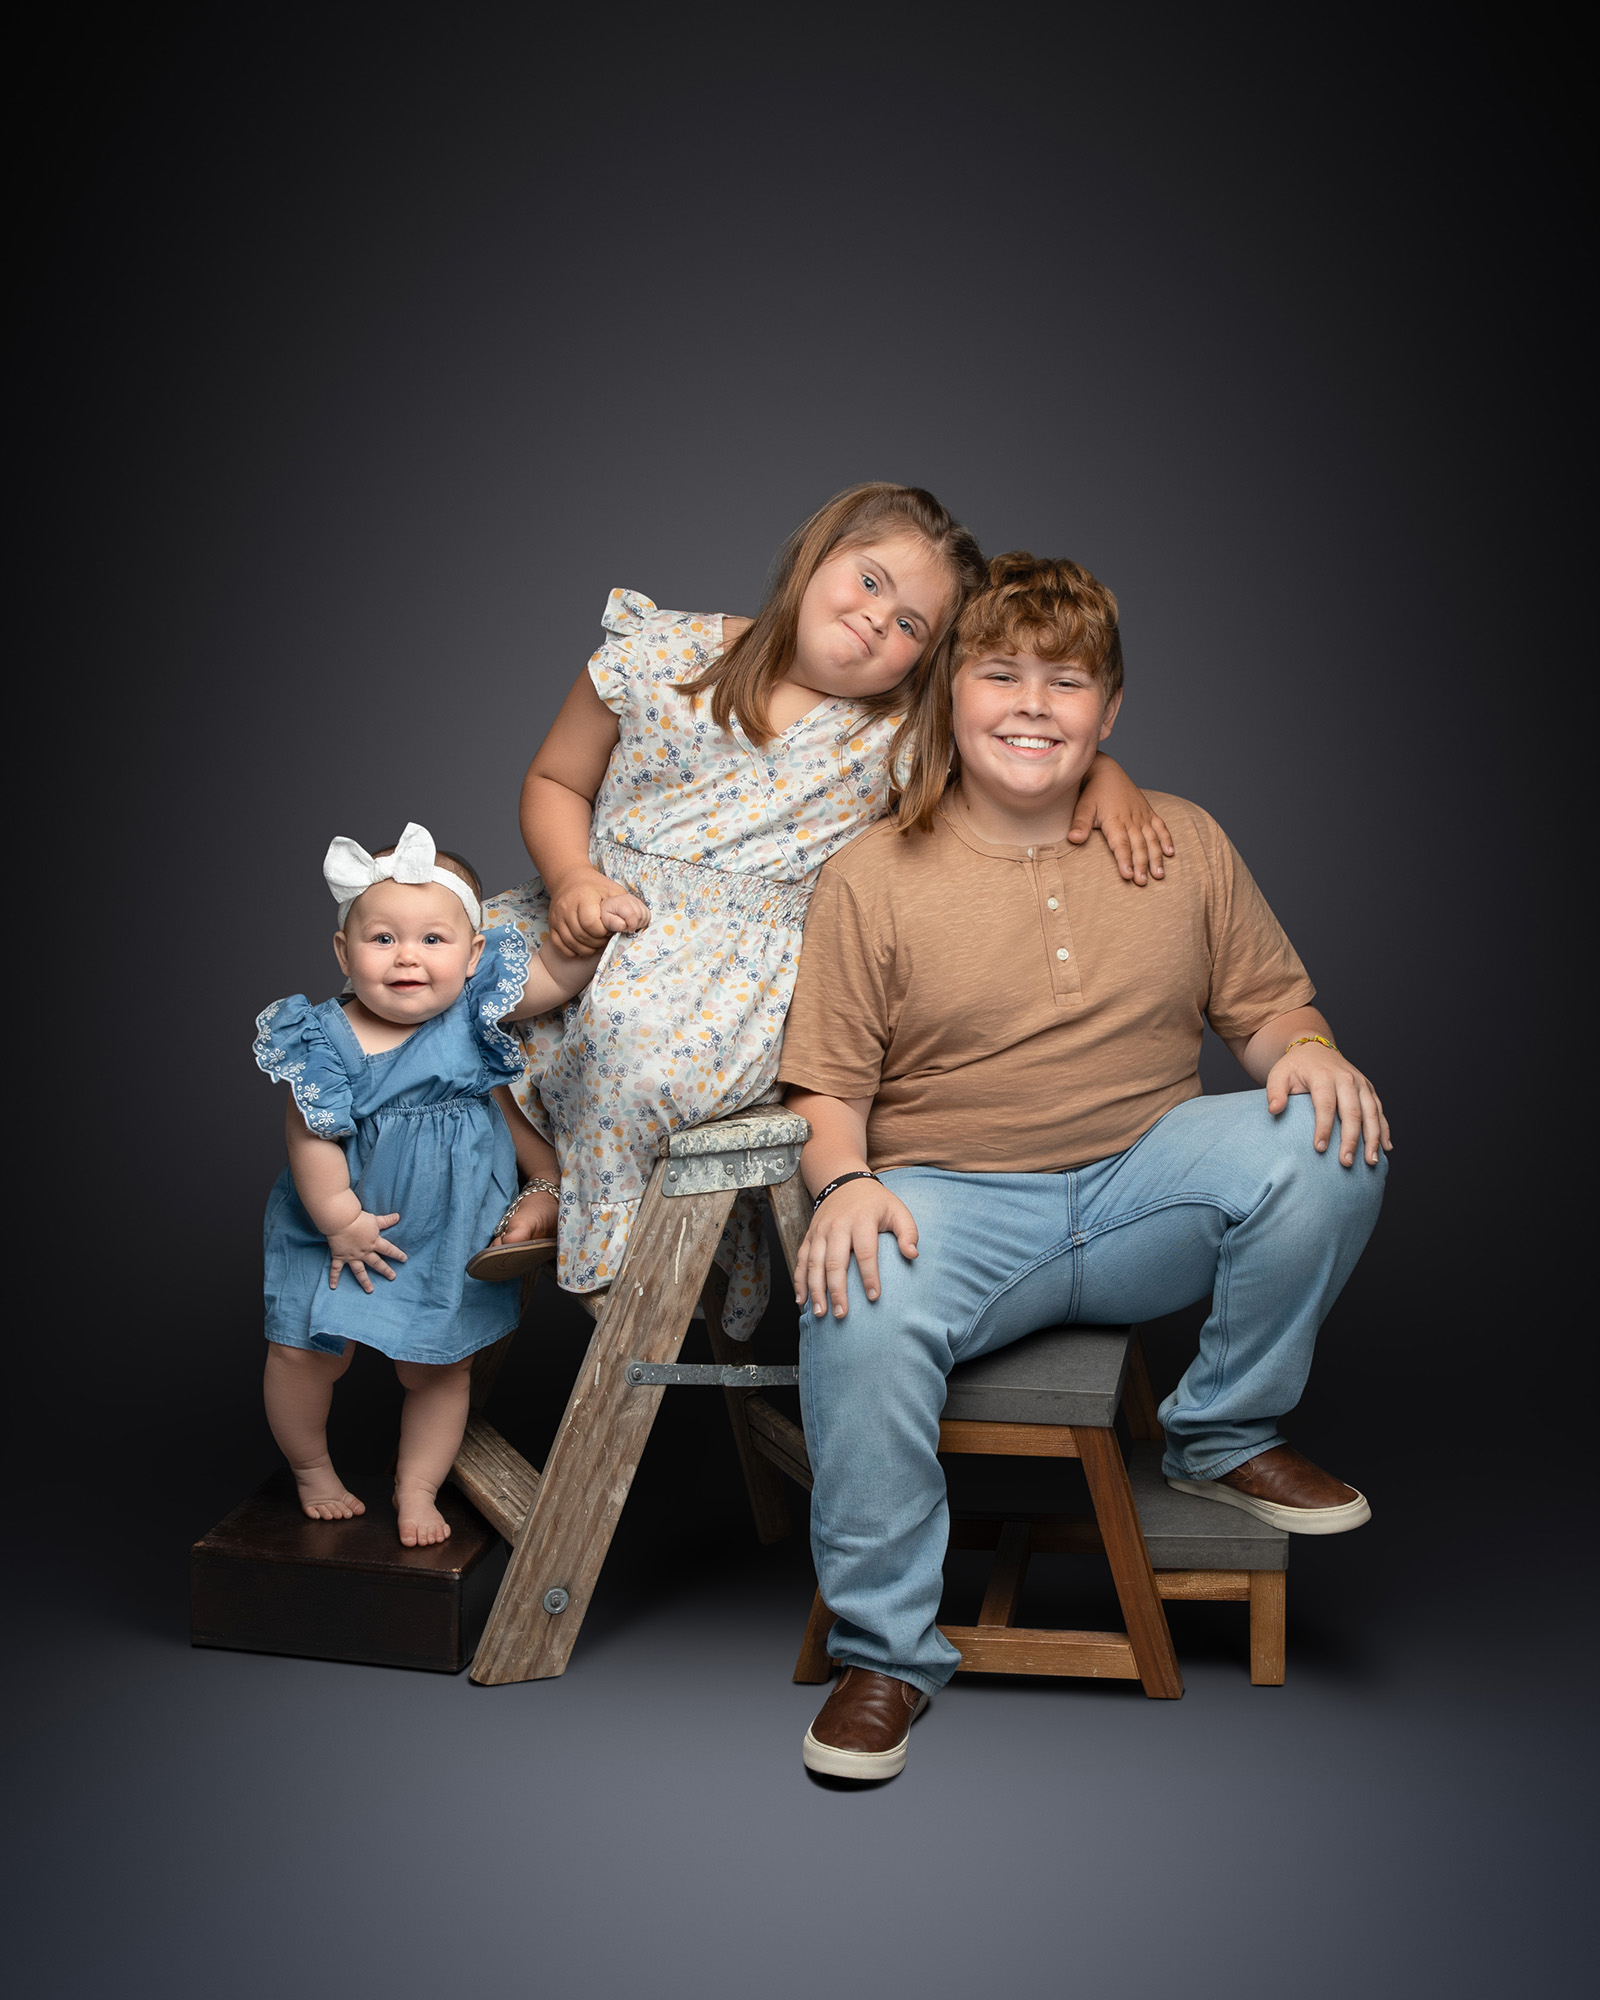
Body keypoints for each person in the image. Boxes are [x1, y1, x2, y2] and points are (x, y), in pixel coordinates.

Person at [779, 553, 1391, 1780]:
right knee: (853, 1304)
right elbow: (826, 1086)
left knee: (1331, 1130)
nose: (1030, 704)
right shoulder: (870, 873)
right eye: (998, 673)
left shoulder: (1181, 840)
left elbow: (1270, 1011)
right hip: (950, 1203)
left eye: (1066, 682)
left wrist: (1314, 1048)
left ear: (1106, 713)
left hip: (1141, 1186)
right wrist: (844, 1180)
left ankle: (1221, 1430)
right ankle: (886, 1653)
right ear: (949, 694)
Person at [483, 484, 1173, 1337]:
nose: (882, 620)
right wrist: (572, 874)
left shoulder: (896, 739)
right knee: (426, 984)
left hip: (716, 985)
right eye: (871, 582)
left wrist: (1108, 775)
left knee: (637, 1056)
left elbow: (1024, 747)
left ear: (925, 663)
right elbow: (556, 780)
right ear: (816, 557)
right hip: (588, 908)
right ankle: (542, 1175)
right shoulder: (662, 653)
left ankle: (605, 1246)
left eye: (913, 625)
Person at [253, 822, 647, 1544]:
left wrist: (595, 931)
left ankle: (418, 1489)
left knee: (439, 1368)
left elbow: (557, 975)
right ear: (345, 951)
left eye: (433, 940)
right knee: (301, 1353)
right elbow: (310, 1138)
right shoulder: (327, 1037)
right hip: (338, 1230)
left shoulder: (472, 1010)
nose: (407, 957)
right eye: (383, 940)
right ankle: (311, 1467)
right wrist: (340, 1219)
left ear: (472, 957)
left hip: (448, 1228)